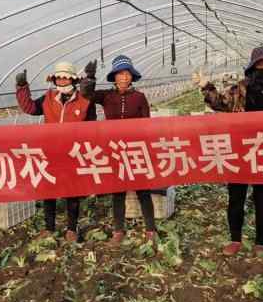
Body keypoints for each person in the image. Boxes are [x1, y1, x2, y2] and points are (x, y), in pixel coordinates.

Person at [192, 46, 263, 256]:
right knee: (236, 196)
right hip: (239, 150)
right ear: (252, 67)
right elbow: (220, 104)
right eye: (259, 64)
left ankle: (260, 243)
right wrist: (206, 86)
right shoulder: (240, 89)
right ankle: (235, 239)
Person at [80, 55, 157, 246]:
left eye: (127, 74)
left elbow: (146, 123)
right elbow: (86, 94)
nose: (124, 78)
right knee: (118, 192)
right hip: (114, 150)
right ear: (114, 77)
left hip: (135, 149)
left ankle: (150, 229)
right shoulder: (106, 96)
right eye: (120, 74)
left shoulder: (139, 97)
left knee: (143, 191)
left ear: (132, 77)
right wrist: (89, 77)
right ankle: (118, 230)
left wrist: (147, 148)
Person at [15, 62, 96, 242]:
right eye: (58, 77)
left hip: (73, 153)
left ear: (73, 79)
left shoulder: (83, 100)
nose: (61, 80)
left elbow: (91, 125)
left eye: (65, 77)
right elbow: (30, 108)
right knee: (48, 190)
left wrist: (85, 149)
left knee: (72, 192)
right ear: (54, 79)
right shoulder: (48, 98)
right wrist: (22, 88)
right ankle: (49, 227)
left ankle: (71, 228)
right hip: (50, 151)